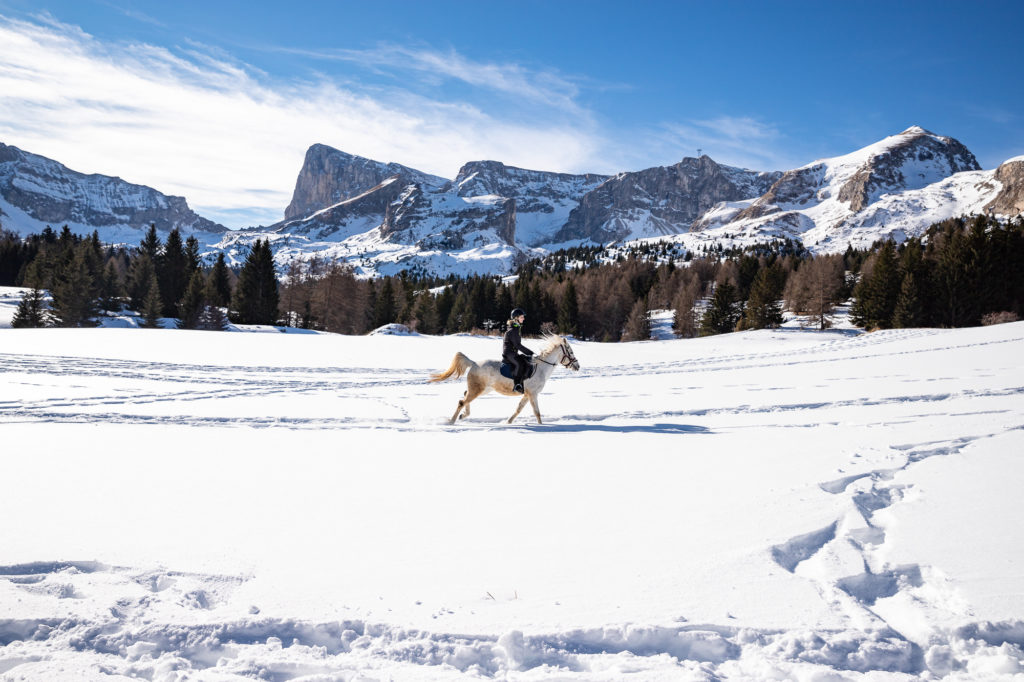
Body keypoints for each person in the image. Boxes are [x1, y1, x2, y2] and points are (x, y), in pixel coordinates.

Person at [502, 308, 534, 393]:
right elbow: (517, 345)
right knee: (519, 363)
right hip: (509, 353)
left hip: (513, 352)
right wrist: (530, 352)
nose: (523, 318)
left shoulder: (516, 328)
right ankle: (517, 385)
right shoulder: (513, 330)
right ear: (516, 318)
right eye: (521, 317)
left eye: (523, 317)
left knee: (524, 361)